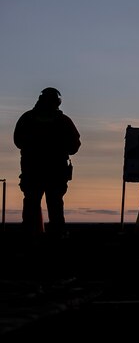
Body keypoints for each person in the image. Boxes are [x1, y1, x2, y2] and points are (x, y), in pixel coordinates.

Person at [13, 87, 81, 237]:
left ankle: (29, 235)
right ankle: (57, 235)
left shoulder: (27, 119)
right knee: (55, 205)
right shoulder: (63, 121)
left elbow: (18, 141)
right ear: (58, 102)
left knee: (31, 203)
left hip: (32, 171)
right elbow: (74, 146)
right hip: (55, 173)